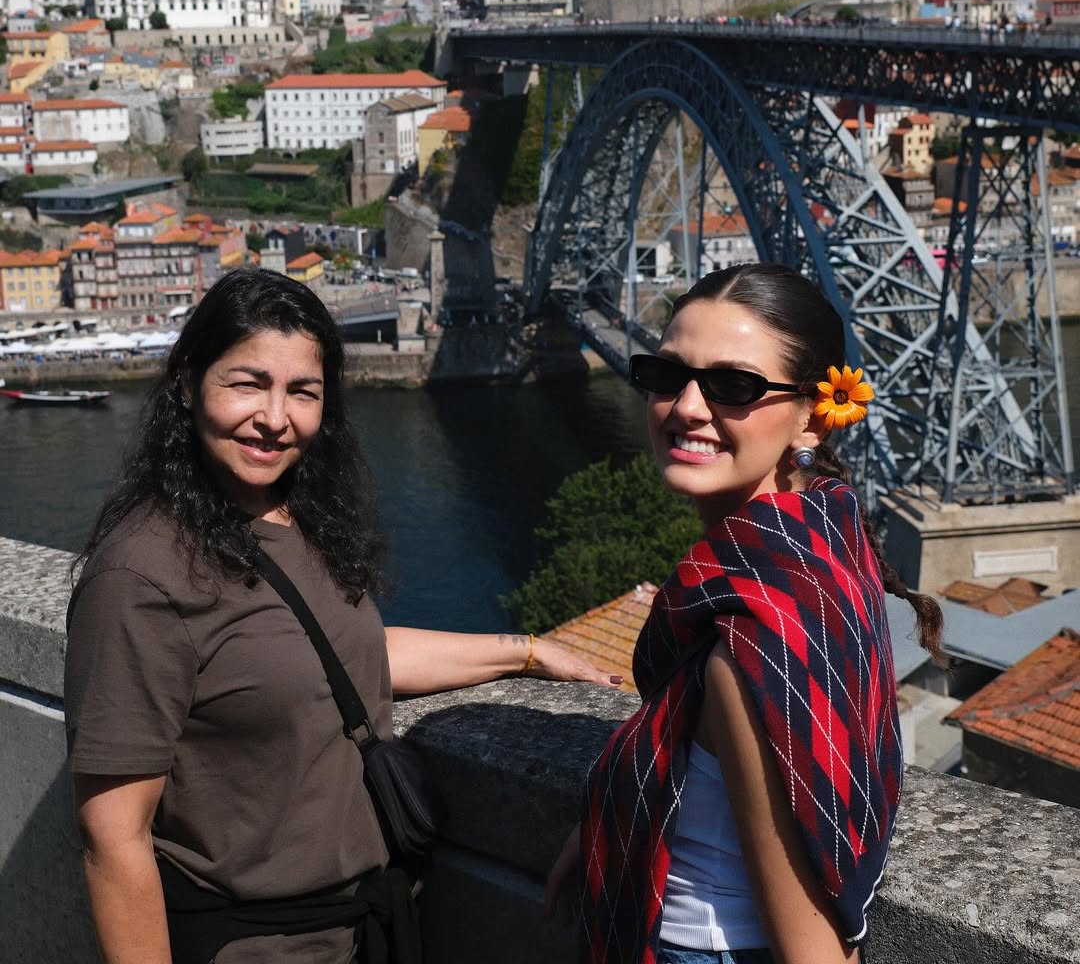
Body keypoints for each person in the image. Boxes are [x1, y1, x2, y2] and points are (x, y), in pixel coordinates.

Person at [65, 267, 618, 964]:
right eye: (248, 384)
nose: (275, 418)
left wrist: (527, 651)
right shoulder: (140, 575)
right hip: (256, 949)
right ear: (186, 383)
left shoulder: (293, 518)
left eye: (303, 391)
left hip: (361, 928)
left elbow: (345, 655)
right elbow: (114, 841)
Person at [546, 263, 945, 964]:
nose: (688, 407)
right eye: (667, 375)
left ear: (813, 416)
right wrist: (616, 813)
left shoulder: (749, 645)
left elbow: (817, 954)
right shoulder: (818, 541)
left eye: (734, 386)